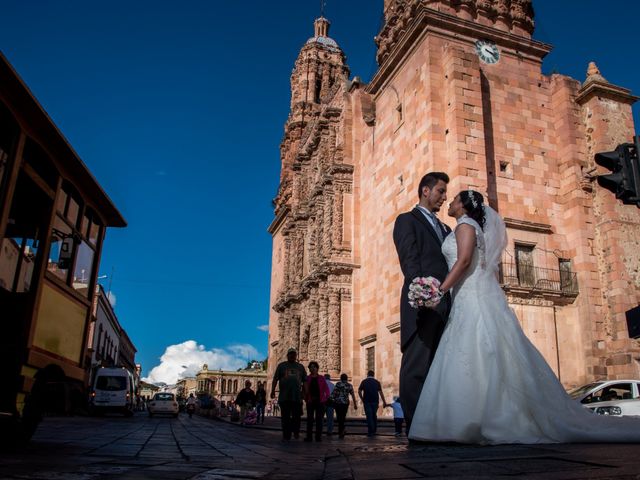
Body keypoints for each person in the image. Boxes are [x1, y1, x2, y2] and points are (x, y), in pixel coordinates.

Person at [409, 190, 640, 444]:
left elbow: (463, 262)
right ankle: (475, 417)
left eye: (453, 199)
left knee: (474, 347)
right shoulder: (471, 226)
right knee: (483, 350)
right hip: (471, 294)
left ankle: (472, 419)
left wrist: (440, 290)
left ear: (463, 205)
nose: (449, 202)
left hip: (469, 296)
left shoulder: (465, 225)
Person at [393, 171, 452, 432]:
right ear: (425, 191)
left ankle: (437, 422)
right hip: (423, 303)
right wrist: (421, 293)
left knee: (439, 366)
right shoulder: (407, 220)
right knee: (417, 364)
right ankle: (416, 425)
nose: (444, 197)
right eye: (440, 191)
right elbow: (410, 260)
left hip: (446, 306)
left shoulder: (446, 228)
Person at [270, 347, 307, 441]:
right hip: (284, 396)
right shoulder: (281, 366)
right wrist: (273, 390)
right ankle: (286, 434)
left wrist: (305, 392)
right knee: (285, 417)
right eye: (290, 354)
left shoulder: (300, 367)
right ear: (287, 356)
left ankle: (296, 432)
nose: (292, 356)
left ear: (296, 356)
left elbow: (305, 381)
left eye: (294, 354)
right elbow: (275, 379)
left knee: (296, 417)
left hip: (297, 396)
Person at [303, 361, 330, 442]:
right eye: (311, 367)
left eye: (314, 367)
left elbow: (326, 389)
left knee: (319, 420)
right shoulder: (307, 378)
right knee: (310, 420)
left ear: (317, 368)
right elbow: (304, 389)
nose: (313, 368)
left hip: (320, 401)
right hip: (310, 401)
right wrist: (305, 398)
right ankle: (309, 437)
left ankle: (318, 437)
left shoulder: (321, 378)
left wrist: (325, 399)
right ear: (309, 369)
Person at [358, 370, 388, 437]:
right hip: (375, 401)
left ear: (367, 375)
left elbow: (359, 391)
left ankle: (370, 431)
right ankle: (374, 430)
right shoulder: (377, 382)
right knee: (374, 415)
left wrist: (362, 399)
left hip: (367, 401)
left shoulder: (364, 381)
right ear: (373, 375)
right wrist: (384, 402)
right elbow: (381, 393)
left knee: (369, 416)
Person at [329, 373, 358, 439]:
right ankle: (342, 430)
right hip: (345, 403)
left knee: (339, 417)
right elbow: (353, 395)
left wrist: (330, 399)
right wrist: (355, 404)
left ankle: (341, 431)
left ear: (341, 378)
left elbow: (334, 393)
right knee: (343, 416)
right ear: (347, 378)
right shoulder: (349, 385)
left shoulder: (338, 384)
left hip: (338, 403)